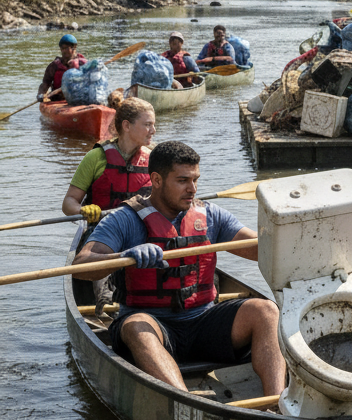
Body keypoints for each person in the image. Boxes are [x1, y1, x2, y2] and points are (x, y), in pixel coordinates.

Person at [72, 140, 285, 396]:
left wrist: (294, 236)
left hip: (203, 322)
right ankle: (186, 402)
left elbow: (261, 249)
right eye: (182, 180)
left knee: (265, 310)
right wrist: (123, 255)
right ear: (156, 180)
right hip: (152, 326)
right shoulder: (124, 219)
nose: (192, 189)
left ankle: (276, 402)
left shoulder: (211, 215)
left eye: (195, 180)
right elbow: (80, 266)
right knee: (136, 326)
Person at [62, 97, 156, 317]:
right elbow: (69, 203)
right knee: (100, 252)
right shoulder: (96, 157)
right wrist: (83, 210)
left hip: (143, 227)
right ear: (127, 125)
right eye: (148, 124)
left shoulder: (154, 159)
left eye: (153, 124)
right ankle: (106, 304)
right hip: (103, 227)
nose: (154, 130)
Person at [38, 33, 87, 101]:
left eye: (66, 48)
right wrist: (41, 94)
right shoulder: (54, 66)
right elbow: (45, 83)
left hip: (77, 97)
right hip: (58, 99)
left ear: (74, 48)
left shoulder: (82, 64)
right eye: (62, 48)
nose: (64, 51)